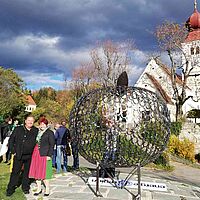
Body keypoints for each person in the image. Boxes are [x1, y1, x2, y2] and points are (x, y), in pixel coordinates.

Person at [6, 115, 38, 196]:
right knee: (15, 172)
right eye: (29, 120)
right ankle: (10, 189)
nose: (30, 122)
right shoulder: (18, 129)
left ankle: (25, 188)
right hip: (19, 154)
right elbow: (10, 141)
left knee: (27, 173)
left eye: (32, 121)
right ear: (25, 121)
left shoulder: (35, 130)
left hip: (29, 156)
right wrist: (14, 151)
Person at [28, 117, 55, 196]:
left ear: (46, 125)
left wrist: (49, 155)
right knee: (37, 172)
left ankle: (47, 189)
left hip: (44, 154)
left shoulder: (50, 133)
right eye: (40, 124)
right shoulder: (38, 132)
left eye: (43, 124)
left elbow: (52, 144)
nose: (41, 125)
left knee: (45, 173)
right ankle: (39, 188)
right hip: (36, 154)